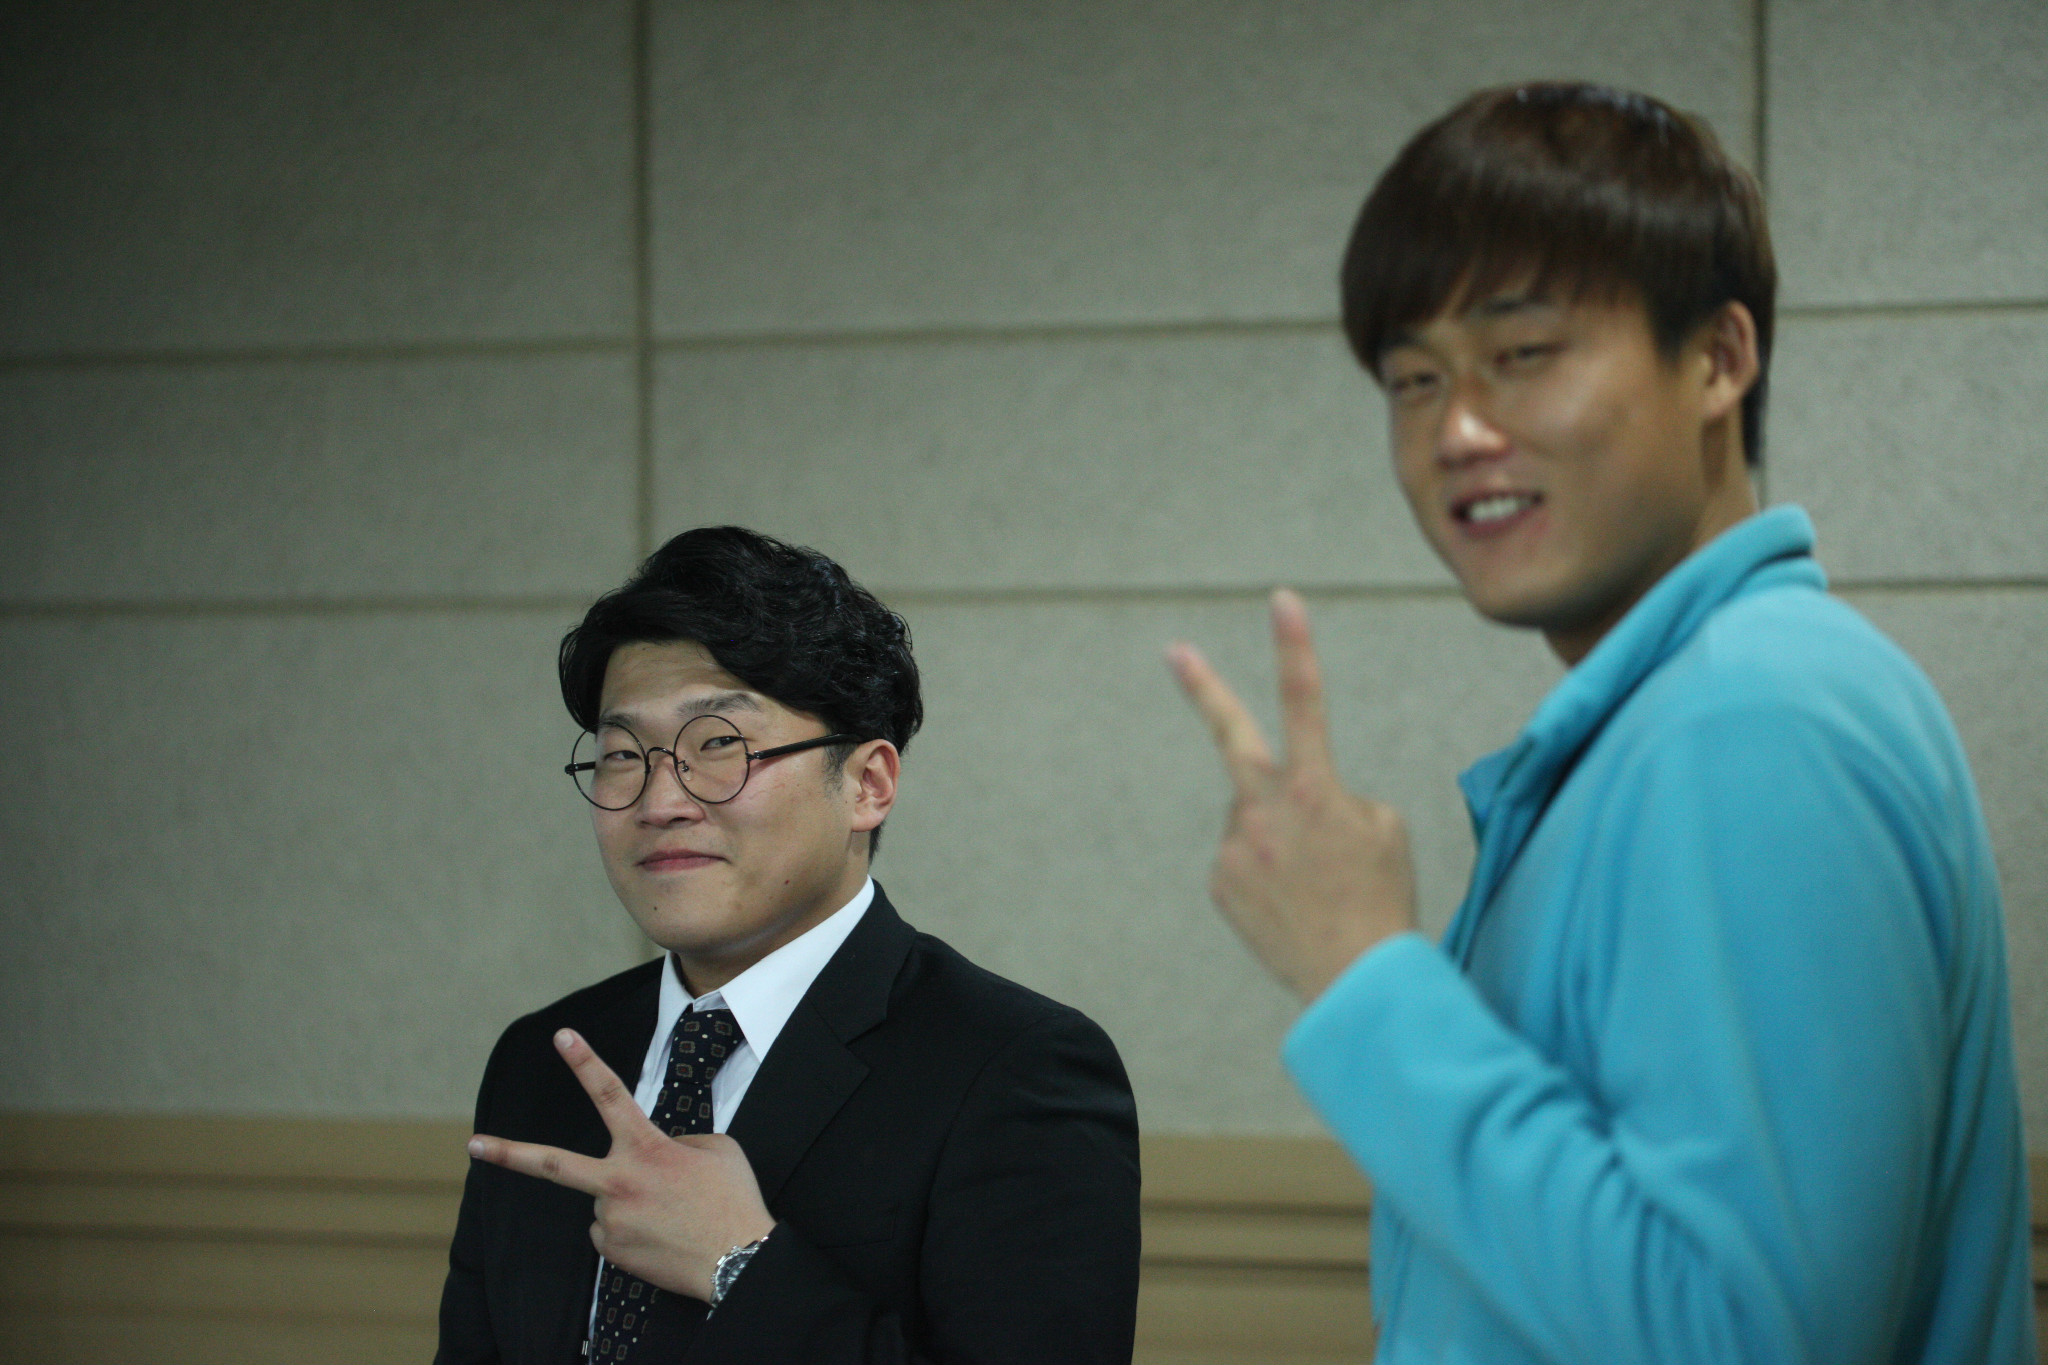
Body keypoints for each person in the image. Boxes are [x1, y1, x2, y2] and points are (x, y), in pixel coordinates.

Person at [1169, 83, 2034, 1362]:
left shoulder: (1750, 720)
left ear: (1717, 359)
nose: (1457, 429)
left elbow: (1738, 1338)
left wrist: (1359, 970)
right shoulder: (1678, 716)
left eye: (1522, 354)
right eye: (1413, 378)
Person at [437, 526, 1141, 1364]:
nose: (660, 800)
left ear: (867, 784)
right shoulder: (543, 1060)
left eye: (718, 744)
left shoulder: (1016, 1067)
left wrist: (740, 1265)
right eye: (623, 754)